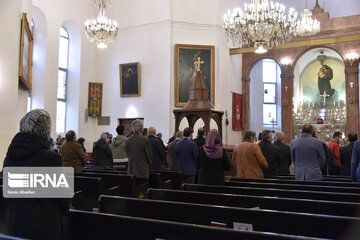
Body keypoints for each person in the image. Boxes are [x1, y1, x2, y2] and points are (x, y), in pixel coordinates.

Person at [3, 109, 69, 239]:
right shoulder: (50, 158)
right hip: (42, 226)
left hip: (13, 224)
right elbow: (63, 199)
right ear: (45, 129)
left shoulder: (10, 155)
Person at [126, 119, 153, 184]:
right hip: (142, 171)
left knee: (133, 191)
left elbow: (127, 154)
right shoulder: (144, 140)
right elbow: (149, 156)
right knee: (142, 192)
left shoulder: (128, 140)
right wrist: (150, 164)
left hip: (131, 171)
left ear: (133, 128)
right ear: (141, 129)